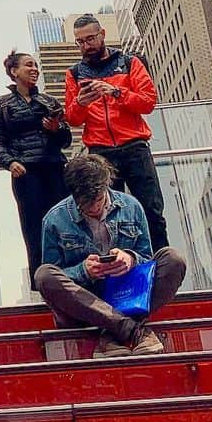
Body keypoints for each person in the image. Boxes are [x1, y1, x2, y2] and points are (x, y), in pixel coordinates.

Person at [35, 153, 187, 358]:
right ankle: (132, 331)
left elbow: (146, 258)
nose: (94, 208)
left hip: (127, 294)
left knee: (173, 259)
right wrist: (84, 271)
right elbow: (53, 277)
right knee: (43, 275)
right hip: (85, 302)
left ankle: (112, 332)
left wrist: (130, 259)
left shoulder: (131, 206)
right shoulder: (55, 220)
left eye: (97, 200)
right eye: (85, 204)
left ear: (106, 187)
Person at [64, 14, 167, 251]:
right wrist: (81, 102)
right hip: (100, 152)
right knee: (107, 215)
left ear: (102, 35)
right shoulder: (74, 73)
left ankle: (161, 265)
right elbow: (73, 119)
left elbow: (148, 102)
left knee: (151, 209)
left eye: (90, 39)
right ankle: (119, 267)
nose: (85, 46)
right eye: (79, 42)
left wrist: (115, 92)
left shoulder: (130, 62)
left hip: (134, 145)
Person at [0, 51, 71, 278]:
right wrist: (10, 162)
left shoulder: (48, 101)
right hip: (25, 173)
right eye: (28, 65)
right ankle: (41, 281)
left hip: (55, 169)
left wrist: (57, 129)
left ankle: (70, 275)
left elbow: (66, 140)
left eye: (36, 65)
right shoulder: (1, 104)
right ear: (14, 71)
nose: (34, 69)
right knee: (33, 227)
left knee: (64, 223)